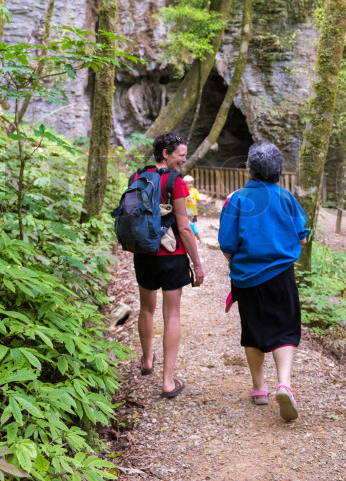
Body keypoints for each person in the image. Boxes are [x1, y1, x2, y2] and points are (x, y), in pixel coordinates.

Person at [218, 142, 309, 421]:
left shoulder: (237, 199)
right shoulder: (286, 197)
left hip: (246, 278)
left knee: (253, 329)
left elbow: (227, 243)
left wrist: (235, 264)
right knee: (285, 329)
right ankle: (284, 384)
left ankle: (259, 389)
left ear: (249, 169)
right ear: (278, 170)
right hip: (282, 274)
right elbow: (302, 236)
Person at [132, 132, 205, 398]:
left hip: (143, 254)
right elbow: (184, 228)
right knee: (172, 314)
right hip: (171, 256)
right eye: (181, 155)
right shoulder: (175, 182)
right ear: (166, 153)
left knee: (146, 308)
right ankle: (168, 381)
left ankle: (147, 360)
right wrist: (197, 264)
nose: (183, 160)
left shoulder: (137, 177)